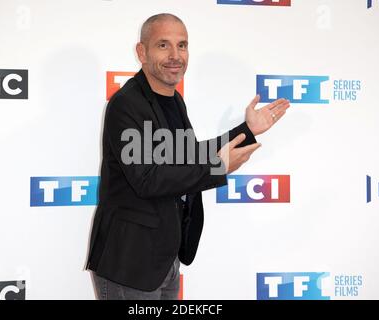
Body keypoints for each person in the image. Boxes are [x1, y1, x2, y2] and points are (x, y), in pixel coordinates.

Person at [85, 13, 290, 300]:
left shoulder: (173, 100)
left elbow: (189, 155)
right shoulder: (126, 105)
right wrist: (217, 167)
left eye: (182, 45)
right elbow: (147, 179)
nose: (175, 56)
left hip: (165, 257)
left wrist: (247, 129)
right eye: (163, 45)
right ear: (141, 52)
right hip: (130, 263)